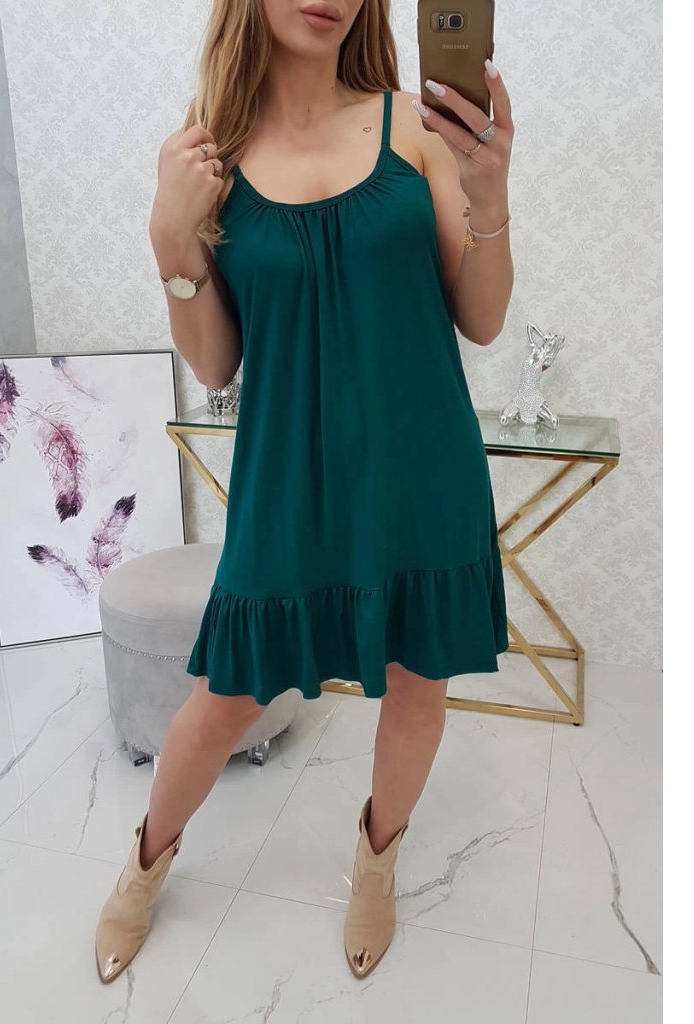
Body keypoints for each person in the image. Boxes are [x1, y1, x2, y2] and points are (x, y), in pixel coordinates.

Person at [95, 0, 514, 984]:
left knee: (417, 682)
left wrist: (490, 191)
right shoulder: (207, 157)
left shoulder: (416, 129)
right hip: (287, 479)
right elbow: (215, 364)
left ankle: (377, 862)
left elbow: (484, 319)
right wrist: (170, 236)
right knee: (226, 698)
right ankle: (144, 864)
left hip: (421, 469)